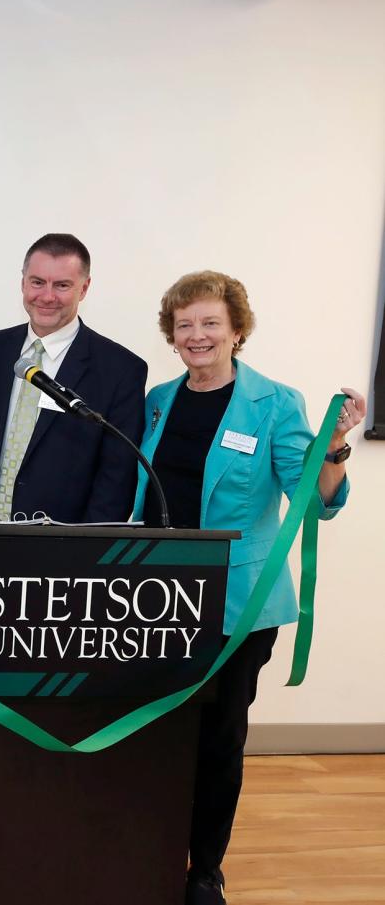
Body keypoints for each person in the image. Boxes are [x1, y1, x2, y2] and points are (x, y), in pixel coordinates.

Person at [132, 270, 364, 905]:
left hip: (238, 605)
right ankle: (146, 852)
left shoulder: (275, 403)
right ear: (171, 337)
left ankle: (204, 869)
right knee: (153, 735)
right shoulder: (157, 400)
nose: (197, 335)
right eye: (184, 325)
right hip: (151, 600)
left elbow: (312, 503)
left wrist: (335, 446)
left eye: (210, 323)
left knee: (218, 741)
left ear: (237, 330)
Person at [0, 234, 146, 523]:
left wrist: (85, 553)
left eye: (62, 285)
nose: (47, 296)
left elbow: (117, 476)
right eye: (37, 282)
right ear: (23, 282)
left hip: (61, 546)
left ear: (84, 288)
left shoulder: (121, 369)